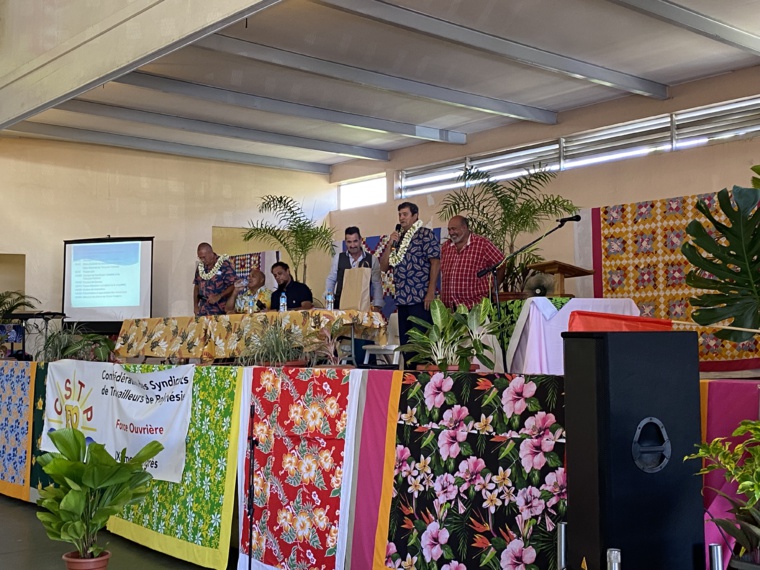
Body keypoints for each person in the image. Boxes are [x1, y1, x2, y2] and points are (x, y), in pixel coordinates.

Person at [379, 201, 440, 353]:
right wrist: (390, 243)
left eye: (405, 214)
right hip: (402, 299)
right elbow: (384, 267)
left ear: (415, 216)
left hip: (421, 298)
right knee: (407, 346)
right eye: (399, 215)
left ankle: (424, 376)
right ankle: (408, 375)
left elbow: (435, 262)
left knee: (421, 345)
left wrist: (431, 291)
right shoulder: (398, 240)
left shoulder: (425, 234)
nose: (401, 218)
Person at [440, 215, 505, 309]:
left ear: (464, 228)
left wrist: (495, 286)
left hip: (475, 306)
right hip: (450, 309)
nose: (451, 233)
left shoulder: (482, 244)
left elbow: (501, 263)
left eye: (454, 229)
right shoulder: (446, 247)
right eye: (449, 229)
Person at [325, 226, 384, 312]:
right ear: (345, 242)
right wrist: (329, 300)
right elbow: (331, 279)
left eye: (355, 241)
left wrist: (377, 305)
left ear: (360, 240)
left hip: (363, 306)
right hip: (340, 305)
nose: (352, 245)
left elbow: (377, 284)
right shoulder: (338, 258)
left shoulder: (372, 259)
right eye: (349, 242)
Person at [193, 242, 236, 316]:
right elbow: (196, 287)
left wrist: (219, 296)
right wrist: (195, 306)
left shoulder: (224, 265)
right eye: (200, 258)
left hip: (220, 311)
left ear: (211, 253)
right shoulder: (200, 268)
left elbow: (233, 285)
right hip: (203, 311)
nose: (202, 260)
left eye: (204, 257)